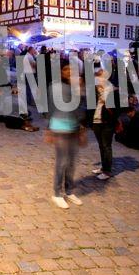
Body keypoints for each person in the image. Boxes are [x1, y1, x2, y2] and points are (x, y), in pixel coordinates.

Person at [46, 64, 84, 209]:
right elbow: (50, 107)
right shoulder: (54, 87)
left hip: (73, 127)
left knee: (71, 162)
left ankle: (69, 190)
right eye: (69, 72)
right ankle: (56, 193)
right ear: (63, 73)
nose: (72, 74)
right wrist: (48, 128)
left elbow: (78, 107)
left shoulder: (75, 88)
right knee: (62, 162)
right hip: (59, 127)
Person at [91, 82, 118, 180]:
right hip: (96, 122)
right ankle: (103, 168)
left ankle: (107, 171)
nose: (97, 87)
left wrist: (106, 101)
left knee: (106, 146)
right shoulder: (96, 94)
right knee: (101, 146)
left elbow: (116, 111)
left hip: (107, 123)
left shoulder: (113, 93)